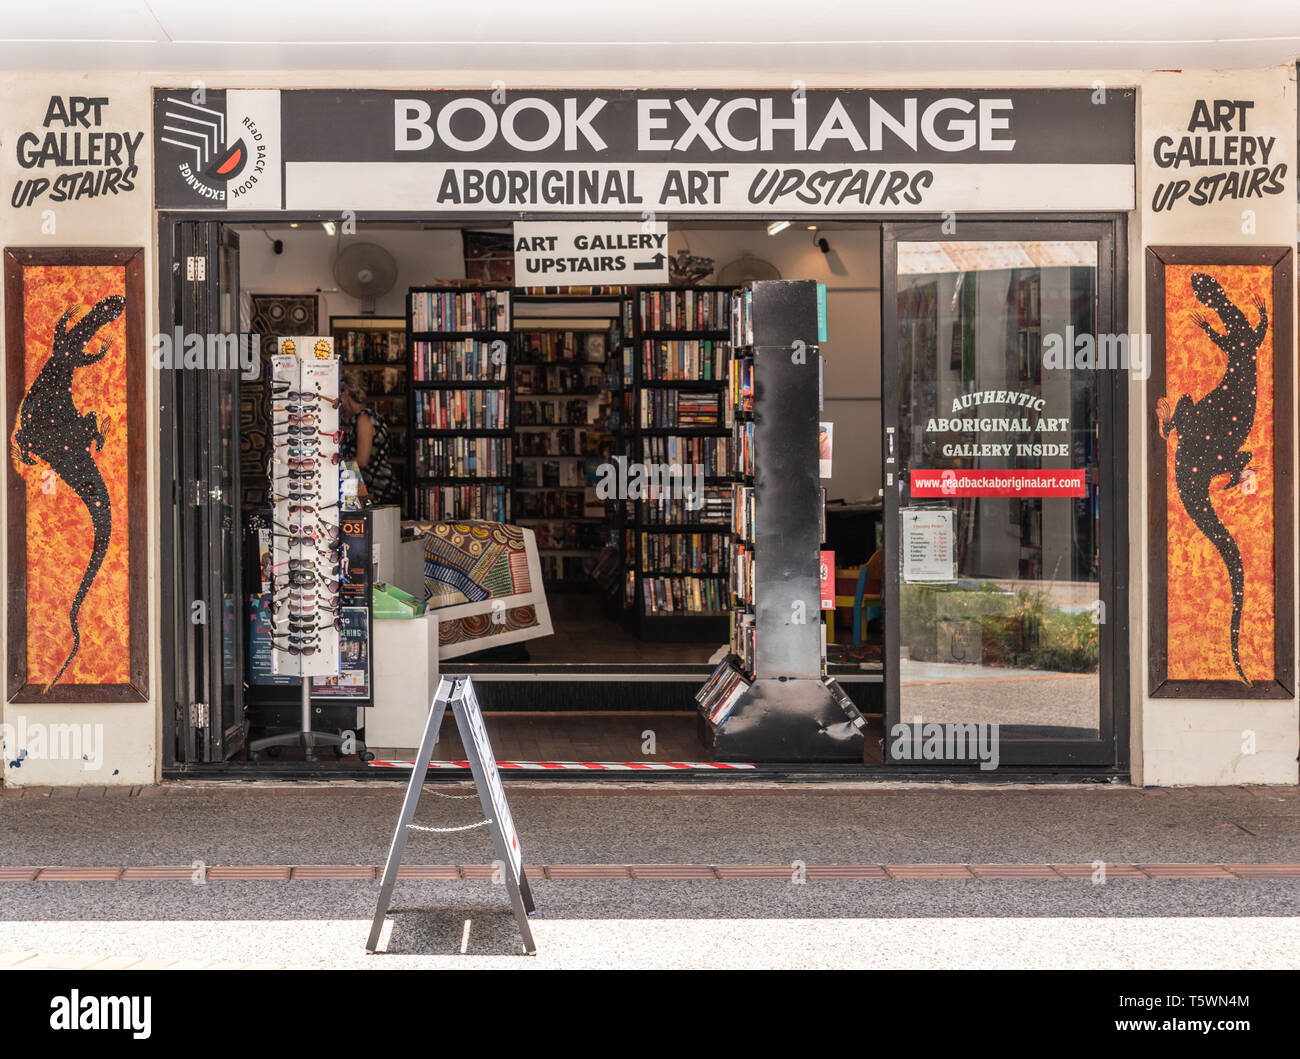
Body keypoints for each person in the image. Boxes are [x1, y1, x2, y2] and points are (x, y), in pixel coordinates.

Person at [339, 367, 401, 506]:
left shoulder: (363, 418)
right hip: (373, 486)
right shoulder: (369, 416)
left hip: (378, 488)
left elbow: (361, 461)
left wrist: (337, 468)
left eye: (340, 395)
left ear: (347, 393)